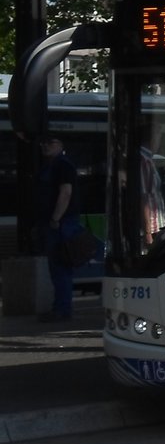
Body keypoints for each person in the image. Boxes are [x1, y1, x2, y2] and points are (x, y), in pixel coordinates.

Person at [35, 135, 81, 322]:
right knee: (57, 268)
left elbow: (66, 192)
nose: (46, 146)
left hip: (61, 224)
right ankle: (60, 307)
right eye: (44, 142)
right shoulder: (53, 165)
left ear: (61, 145)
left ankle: (62, 309)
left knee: (60, 267)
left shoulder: (62, 165)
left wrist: (55, 218)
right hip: (58, 222)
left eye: (50, 142)